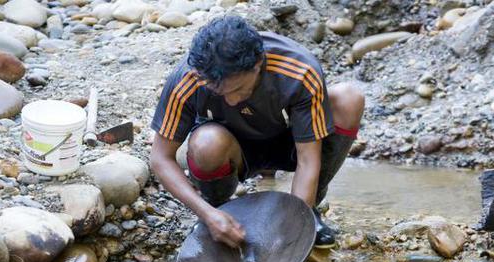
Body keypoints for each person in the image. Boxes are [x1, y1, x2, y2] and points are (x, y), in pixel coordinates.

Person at [150, 16, 365, 249]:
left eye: (239, 89)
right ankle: (220, 210)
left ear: (258, 63)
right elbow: (161, 158)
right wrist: (206, 213)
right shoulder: (189, 78)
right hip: (231, 148)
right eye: (219, 92)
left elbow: (307, 158)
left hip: (290, 141)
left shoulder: (299, 70)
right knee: (206, 142)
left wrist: (294, 225)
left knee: (349, 99)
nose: (231, 101)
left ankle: (309, 211)